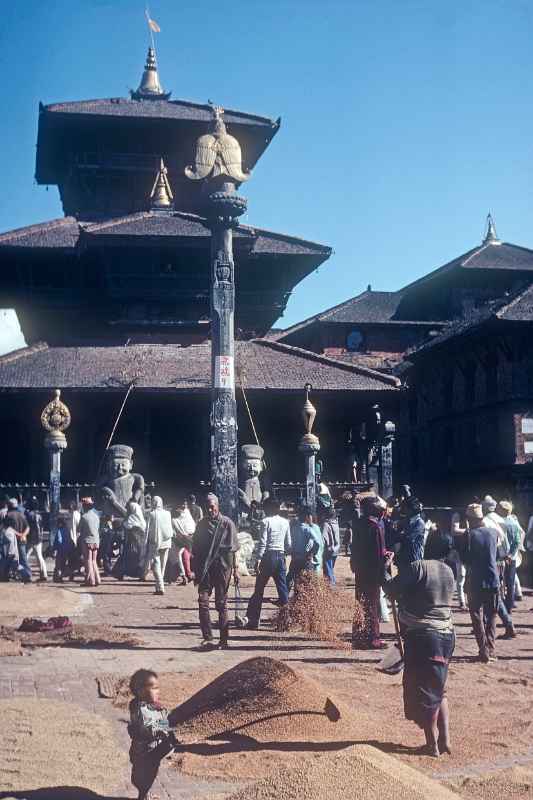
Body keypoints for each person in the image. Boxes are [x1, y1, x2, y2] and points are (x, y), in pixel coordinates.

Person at [384, 530, 455, 758]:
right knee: (439, 688)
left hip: (425, 636)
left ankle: (432, 744)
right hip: (446, 634)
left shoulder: (419, 567)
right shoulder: (449, 571)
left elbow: (391, 589)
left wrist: (386, 567)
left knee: (424, 690)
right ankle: (445, 740)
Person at [192, 492, 239, 649]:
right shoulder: (201, 525)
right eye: (207, 508)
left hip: (223, 567)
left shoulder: (227, 524)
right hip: (206, 568)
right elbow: (196, 550)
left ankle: (224, 639)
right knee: (203, 602)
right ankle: (208, 637)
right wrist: (195, 571)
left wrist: (236, 571)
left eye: (212, 507)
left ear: (217, 506)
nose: (210, 510)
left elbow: (233, 550)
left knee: (221, 603)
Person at [128, 668, 177, 800]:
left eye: (158, 687)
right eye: (154, 688)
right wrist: (166, 725)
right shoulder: (140, 709)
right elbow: (148, 727)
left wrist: (168, 717)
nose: (158, 691)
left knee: (150, 773)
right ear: (140, 691)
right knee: (146, 775)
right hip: (145, 751)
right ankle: (143, 795)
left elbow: (161, 715)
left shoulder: (151, 705)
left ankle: (144, 794)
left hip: (152, 748)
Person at [460, 503, 500, 663]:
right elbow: (499, 555)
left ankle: (483, 649)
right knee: (491, 615)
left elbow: (465, 558)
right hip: (492, 578)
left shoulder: (469, 535)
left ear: (470, 519)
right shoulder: (494, 532)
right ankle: (490, 648)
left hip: (475, 580)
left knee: (476, 615)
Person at [244, 498, 291, 630]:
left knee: (259, 589)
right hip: (280, 556)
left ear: (269, 509)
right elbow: (289, 543)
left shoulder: (265, 522)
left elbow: (263, 542)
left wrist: (258, 559)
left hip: (268, 557)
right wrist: (283, 554)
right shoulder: (285, 522)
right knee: (283, 591)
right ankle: (285, 622)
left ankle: (253, 620)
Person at [351, 496, 388, 650]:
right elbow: (379, 553)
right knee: (372, 605)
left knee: (360, 603)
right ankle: (373, 638)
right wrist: (386, 562)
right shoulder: (376, 527)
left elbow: (355, 548)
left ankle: (358, 636)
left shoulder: (358, 524)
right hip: (373, 571)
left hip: (361, 569)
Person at [482, 495, 515, 638]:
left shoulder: (486, 521)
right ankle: (507, 624)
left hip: (492, 561)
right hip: (502, 560)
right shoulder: (502, 520)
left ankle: (501, 624)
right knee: (496, 594)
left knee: (489, 594)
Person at [287, 504, 323, 592]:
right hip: (305, 558)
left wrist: (291, 552)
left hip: (296, 557)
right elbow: (318, 542)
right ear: (307, 517)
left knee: (296, 578)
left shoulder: (294, 528)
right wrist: (313, 553)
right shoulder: (308, 529)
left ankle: (294, 597)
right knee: (308, 580)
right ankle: (308, 598)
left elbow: (290, 542)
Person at [145, 496, 173, 595]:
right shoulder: (168, 513)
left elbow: (147, 530)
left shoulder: (151, 514)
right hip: (167, 541)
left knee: (155, 564)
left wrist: (145, 542)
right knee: (162, 565)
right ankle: (158, 587)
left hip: (155, 542)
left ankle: (160, 587)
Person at [498, 500, 522, 613]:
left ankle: (500, 606)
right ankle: (510, 606)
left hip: (501, 557)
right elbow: (517, 541)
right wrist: (511, 554)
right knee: (510, 583)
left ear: (503, 510)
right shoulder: (514, 522)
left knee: (499, 581)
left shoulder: (500, 523)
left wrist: (506, 555)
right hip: (512, 558)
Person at [118, 500, 148, 579]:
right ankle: (140, 575)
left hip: (132, 543)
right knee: (138, 558)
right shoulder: (141, 520)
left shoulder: (131, 519)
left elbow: (126, 525)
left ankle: (123, 574)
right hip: (138, 543)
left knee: (128, 558)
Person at [170, 499, 195, 584]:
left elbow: (189, 525)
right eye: (183, 504)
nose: (184, 506)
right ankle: (185, 575)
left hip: (187, 537)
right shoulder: (177, 514)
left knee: (182, 557)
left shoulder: (186, 512)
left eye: (185, 504)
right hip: (183, 538)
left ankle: (185, 575)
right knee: (181, 557)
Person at [6, 497, 31, 582]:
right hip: (22, 540)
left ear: (9, 506)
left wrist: (18, 534)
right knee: (23, 558)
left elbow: (7, 528)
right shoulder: (22, 515)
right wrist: (23, 534)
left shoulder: (8, 515)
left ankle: (11, 574)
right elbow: (28, 527)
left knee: (11, 558)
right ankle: (27, 576)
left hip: (12, 541)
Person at [78, 497, 101, 587]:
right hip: (96, 541)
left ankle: (91, 580)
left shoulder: (84, 517)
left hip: (87, 541)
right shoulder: (96, 516)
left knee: (88, 561)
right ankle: (98, 579)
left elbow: (79, 529)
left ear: (85, 506)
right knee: (94, 561)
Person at [25, 497, 48, 582]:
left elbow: (28, 527)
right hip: (38, 538)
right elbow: (41, 527)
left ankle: (25, 574)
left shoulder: (29, 515)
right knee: (39, 556)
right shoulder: (39, 515)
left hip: (31, 538)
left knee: (25, 556)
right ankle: (44, 574)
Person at [321, 501, 341, 584]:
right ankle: (332, 585)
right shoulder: (336, 523)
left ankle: (332, 588)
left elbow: (323, 538)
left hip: (328, 550)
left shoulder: (325, 524)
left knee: (328, 571)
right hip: (336, 551)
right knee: (331, 570)